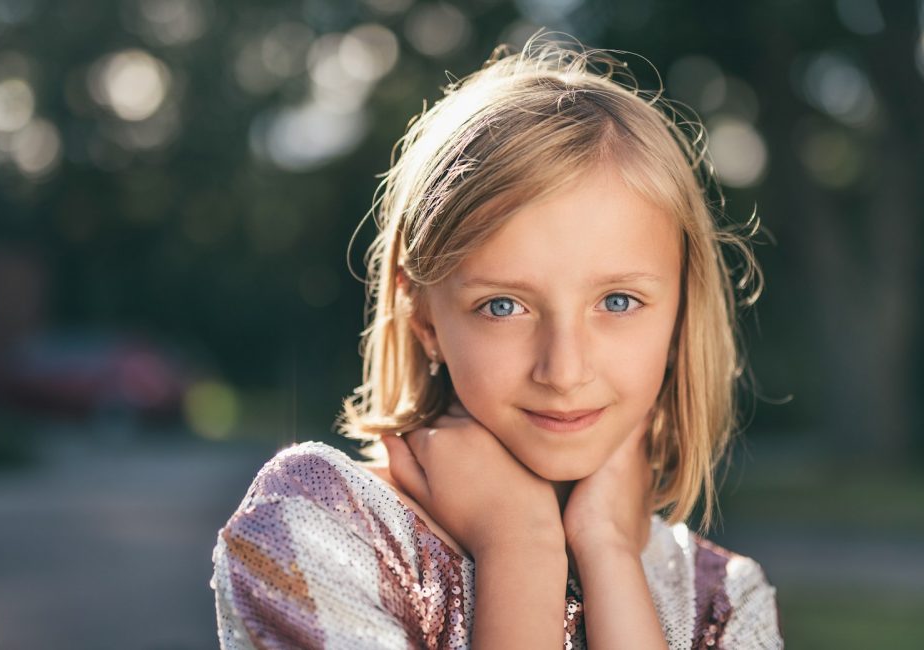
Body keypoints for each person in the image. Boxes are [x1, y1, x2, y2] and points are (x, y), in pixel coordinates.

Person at [210, 33, 784, 649]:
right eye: (503, 306)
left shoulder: (725, 598)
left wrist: (610, 552)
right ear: (424, 316)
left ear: (681, 315)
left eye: (617, 302)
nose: (564, 370)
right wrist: (519, 544)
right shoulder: (315, 528)